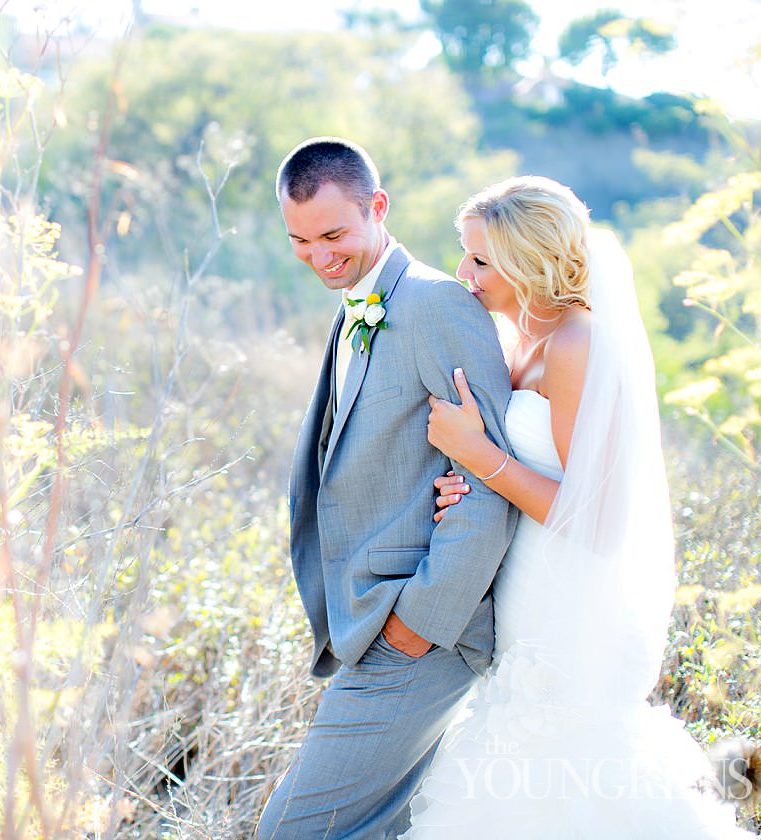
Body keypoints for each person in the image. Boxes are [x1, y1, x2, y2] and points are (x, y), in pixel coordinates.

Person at [402, 176, 754, 838]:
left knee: (564, 765)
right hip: (527, 582)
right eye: (465, 253)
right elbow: (519, 469)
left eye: (481, 259)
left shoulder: (576, 345)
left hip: (575, 596)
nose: (464, 272)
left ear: (529, 262)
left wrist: (478, 456)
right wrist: (461, 484)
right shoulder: (515, 343)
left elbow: (596, 522)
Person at [256, 137, 517, 839]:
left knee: (293, 831)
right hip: (368, 625)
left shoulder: (437, 304)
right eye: (300, 240)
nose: (319, 256)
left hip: (422, 631)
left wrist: (417, 624)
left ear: (378, 207)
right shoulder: (356, 301)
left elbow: (489, 480)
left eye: (334, 235)